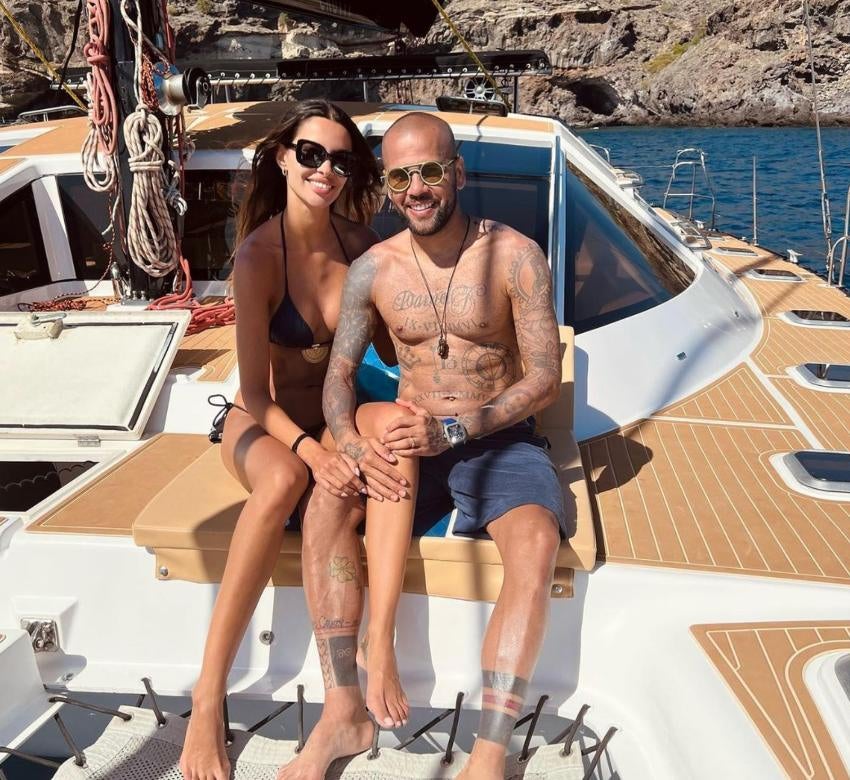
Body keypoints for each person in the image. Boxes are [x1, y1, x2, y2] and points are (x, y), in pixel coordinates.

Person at [322, 111, 569, 780]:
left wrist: (457, 428)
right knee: (328, 512)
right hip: (410, 444)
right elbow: (339, 375)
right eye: (399, 177)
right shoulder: (373, 270)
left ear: (456, 172)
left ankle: (488, 754)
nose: (416, 189)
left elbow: (545, 376)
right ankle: (348, 694)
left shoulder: (515, 254)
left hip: (494, 437)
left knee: (536, 543)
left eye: (429, 171)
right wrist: (349, 443)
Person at [179, 99, 410, 780]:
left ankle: (352, 691)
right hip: (264, 424)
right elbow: (254, 392)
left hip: (331, 418)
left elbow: (391, 355)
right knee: (285, 481)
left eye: (341, 160)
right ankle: (207, 697)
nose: (325, 170)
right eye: (311, 154)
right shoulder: (258, 256)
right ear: (284, 158)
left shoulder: (360, 245)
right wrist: (312, 453)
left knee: (371, 456)